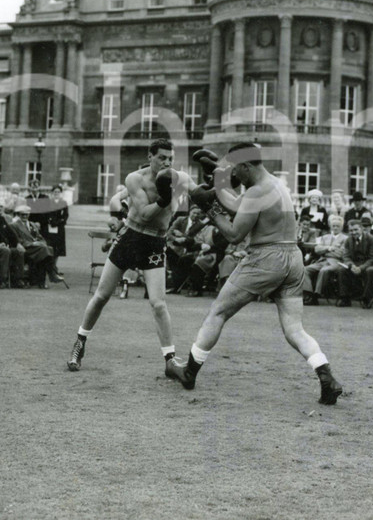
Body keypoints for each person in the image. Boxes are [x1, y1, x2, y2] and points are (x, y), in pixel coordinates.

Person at [165, 142, 343, 405]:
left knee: (218, 312)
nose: (235, 175)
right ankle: (327, 378)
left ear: (246, 166)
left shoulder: (256, 192)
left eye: (236, 169)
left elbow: (234, 234)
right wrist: (220, 181)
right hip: (293, 259)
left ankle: (189, 372)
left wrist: (210, 209)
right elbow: (241, 206)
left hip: (266, 258)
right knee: (295, 329)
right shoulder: (277, 185)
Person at [67, 139, 205, 374]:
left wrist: (215, 182)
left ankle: (170, 360)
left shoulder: (180, 178)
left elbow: (200, 195)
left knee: (158, 303)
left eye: (170, 158)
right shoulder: (135, 179)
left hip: (155, 242)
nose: (167, 163)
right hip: (131, 237)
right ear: (150, 157)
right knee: (101, 295)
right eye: (161, 158)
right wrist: (164, 198)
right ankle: (80, 342)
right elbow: (144, 215)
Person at [302, 215, 348, 306]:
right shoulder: (324, 237)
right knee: (305, 269)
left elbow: (341, 253)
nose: (335, 228)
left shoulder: (345, 239)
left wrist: (324, 251)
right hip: (322, 261)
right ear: (330, 226)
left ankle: (316, 295)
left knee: (324, 271)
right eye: (333, 226)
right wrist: (329, 248)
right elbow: (317, 249)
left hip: (335, 262)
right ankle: (309, 293)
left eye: (338, 226)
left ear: (341, 227)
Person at [339, 216, 373, 308]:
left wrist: (361, 268)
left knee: (370, 271)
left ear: (361, 229)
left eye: (356, 230)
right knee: (342, 270)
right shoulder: (348, 240)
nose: (353, 232)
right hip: (354, 264)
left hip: (369, 263)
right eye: (351, 230)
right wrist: (351, 265)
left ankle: (367, 298)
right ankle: (345, 298)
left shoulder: (371, 239)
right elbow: (346, 256)